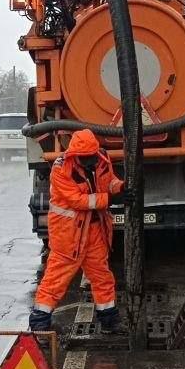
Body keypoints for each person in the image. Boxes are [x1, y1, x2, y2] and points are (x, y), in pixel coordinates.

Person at [30, 129, 125, 333]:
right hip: (69, 236)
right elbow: (77, 201)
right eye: (83, 158)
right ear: (74, 155)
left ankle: (109, 322)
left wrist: (121, 188)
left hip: (94, 231)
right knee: (55, 280)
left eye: (90, 156)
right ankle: (39, 325)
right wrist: (110, 199)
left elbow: (109, 181)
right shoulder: (61, 168)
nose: (88, 161)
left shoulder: (101, 158)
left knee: (102, 277)